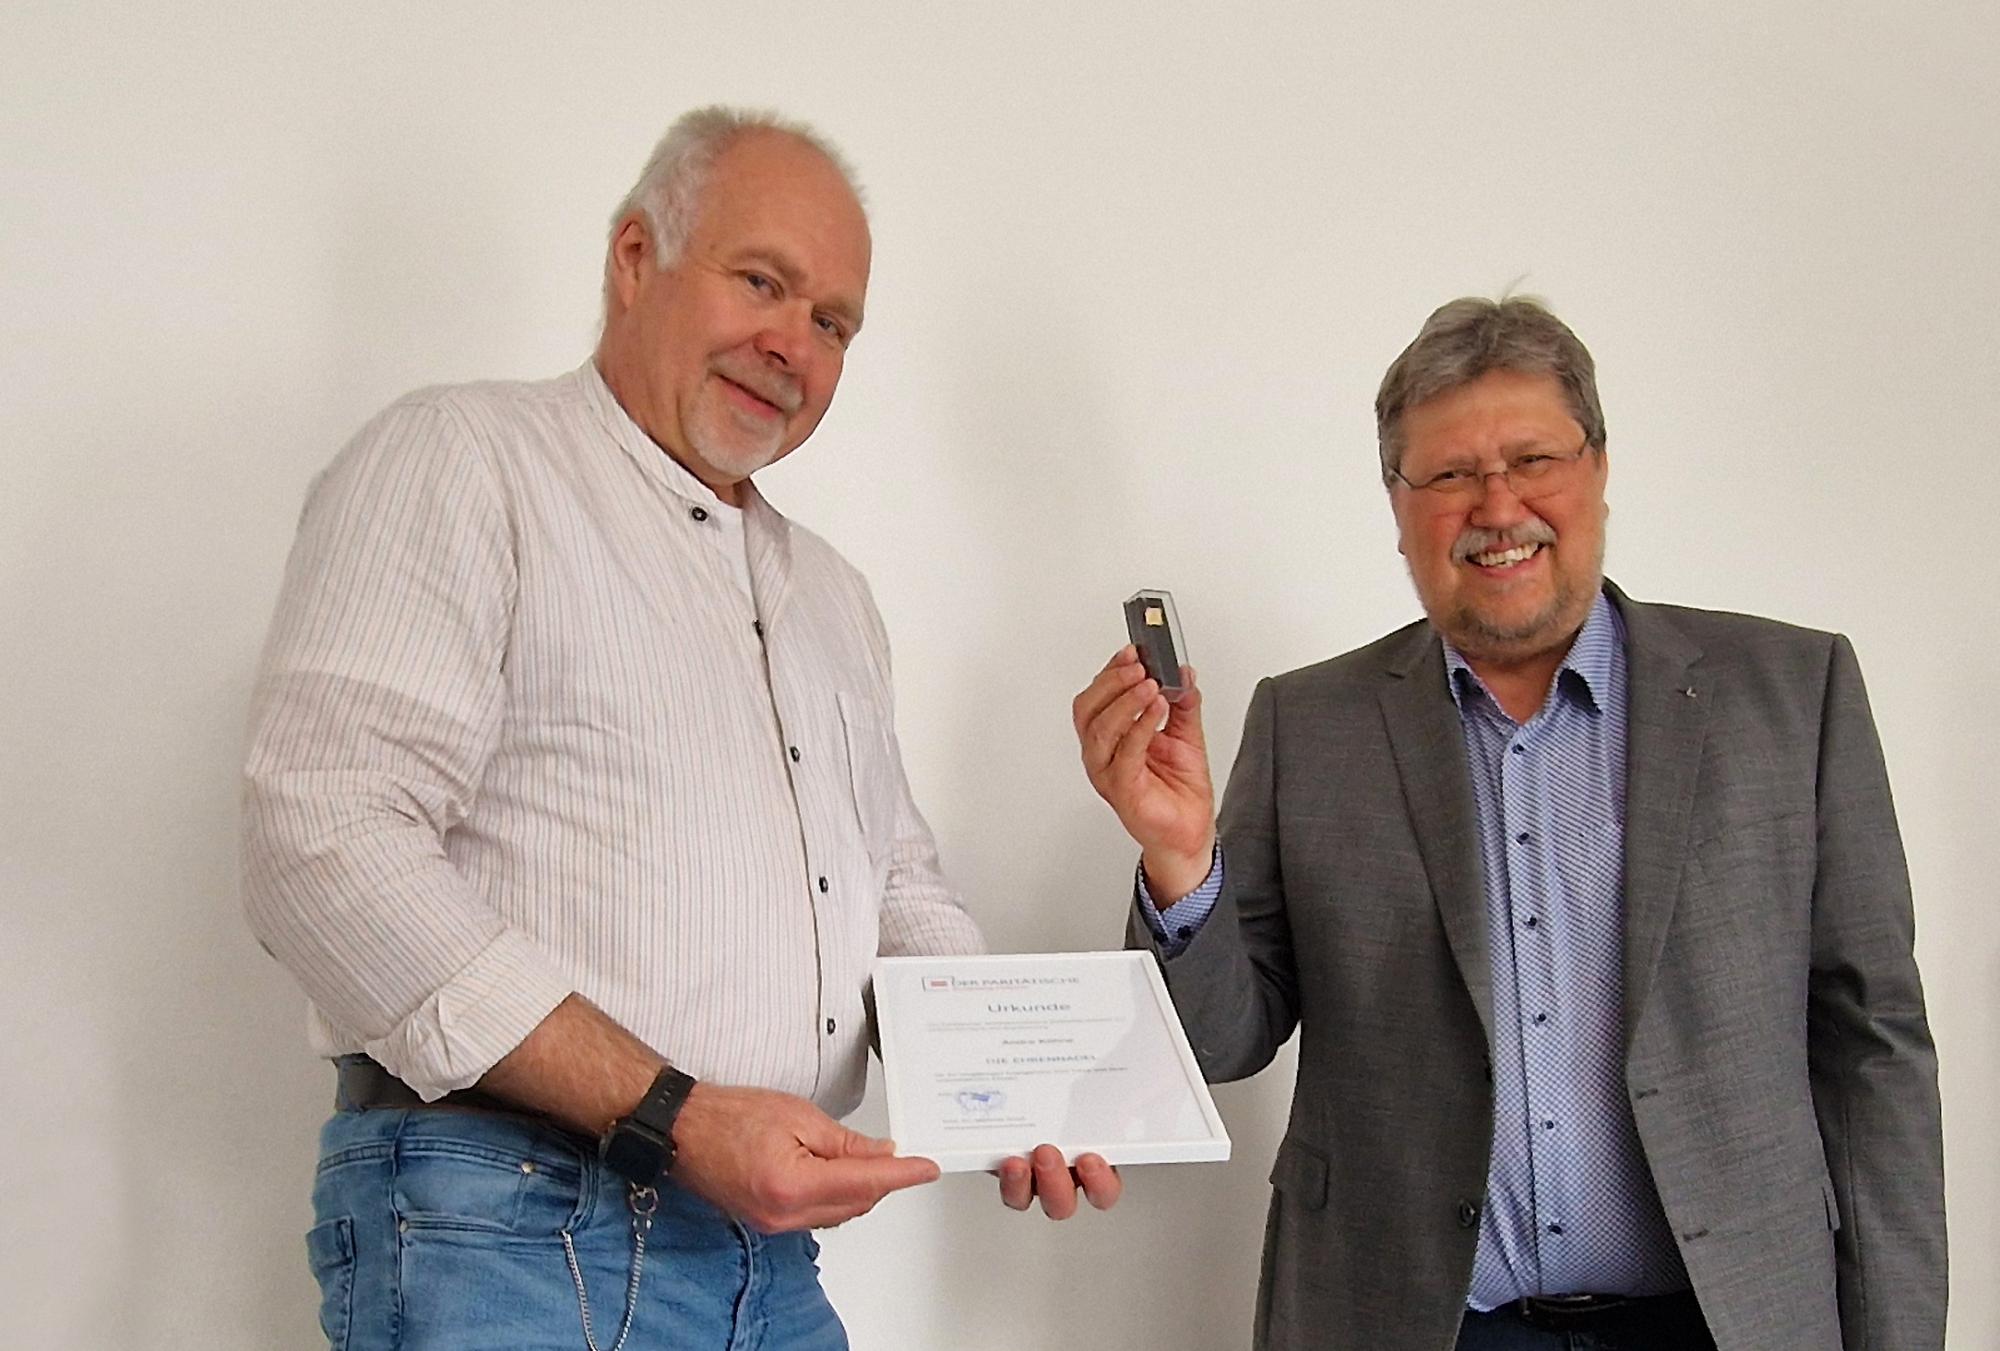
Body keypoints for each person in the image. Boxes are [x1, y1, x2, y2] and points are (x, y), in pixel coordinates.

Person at [244, 106, 1116, 1351]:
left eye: (832, 322)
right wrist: (672, 1115)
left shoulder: (831, 596)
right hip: (511, 1225)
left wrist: (1010, 1089)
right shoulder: (464, 460)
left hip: (764, 1256)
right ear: (634, 256)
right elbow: (323, 837)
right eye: (760, 281)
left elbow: (894, 886)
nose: (791, 344)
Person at [1072, 297, 1944, 1351]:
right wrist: (1179, 856)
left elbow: (1871, 1050)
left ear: (1598, 467)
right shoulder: (1311, 724)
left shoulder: (1793, 693)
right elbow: (1219, 1040)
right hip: (1411, 1321)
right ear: (1397, 506)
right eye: (1449, 474)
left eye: (1532, 458)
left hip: (1727, 1322)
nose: (1496, 505)